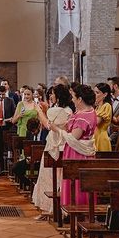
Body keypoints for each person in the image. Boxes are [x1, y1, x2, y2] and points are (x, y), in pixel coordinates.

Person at [49, 84, 97, 206]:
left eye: (74, 97)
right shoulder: (89, 111)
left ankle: (78, 212)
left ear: (80, 99)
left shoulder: (83, 116)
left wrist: (57, 129)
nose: (72, 100)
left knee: (76, 184)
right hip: (81, 152)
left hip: (77, 154)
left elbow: (73, 138)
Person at [33, 84, 73, 218]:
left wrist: (39, 112)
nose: (50, 96)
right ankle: (49, 209)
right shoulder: (63, 109)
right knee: (49, 176)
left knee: (53, 177)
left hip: (57, 147)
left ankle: (54, 209)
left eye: (53, 93)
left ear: (59, 95)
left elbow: (48, 125)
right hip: (56, 144)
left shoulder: (62, 110)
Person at [0, 86, 16, 176]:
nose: (1, 96)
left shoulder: (10, 101)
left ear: (5, 93)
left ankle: (10, 169)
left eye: (3, 94)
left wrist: (9, 119)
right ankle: (1, 169)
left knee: (9, 149)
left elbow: (14, 115)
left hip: (7, 128)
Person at [92, 83, 113, 152]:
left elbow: (96, 122)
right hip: (95, 135)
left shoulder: (106, 106)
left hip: (101, 136)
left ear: (105, 94)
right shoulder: (97, 107)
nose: (94, 94)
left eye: (97, 92)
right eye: (94, 92)